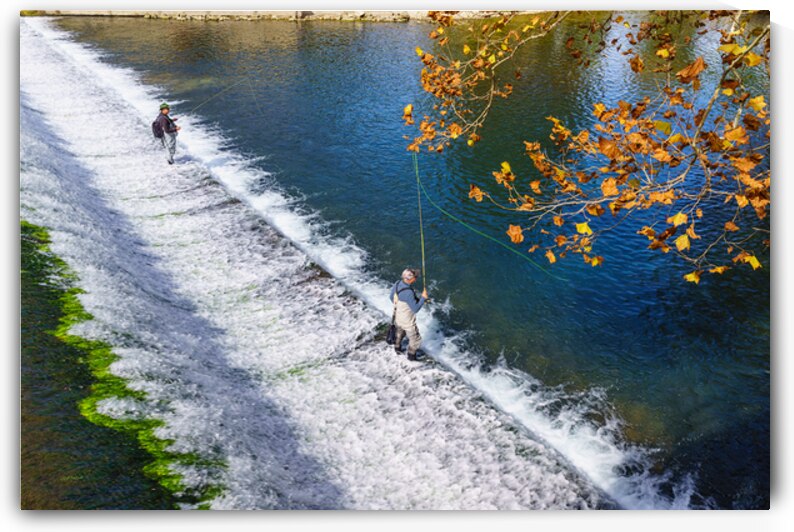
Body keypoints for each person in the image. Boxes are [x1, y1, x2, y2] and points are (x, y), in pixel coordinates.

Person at [389, 268, 428, 361]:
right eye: (415, 276)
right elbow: (415, 309)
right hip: (408, 322)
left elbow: (391, 297)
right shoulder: (409, 292)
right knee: (415, 340)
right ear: (409, 279)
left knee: (399, 334)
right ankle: (411, 357)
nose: (416, 278)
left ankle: (397, 350)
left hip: (398, 318)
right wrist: (423, 298)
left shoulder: (397, 283)